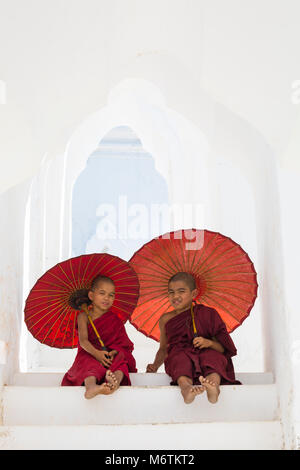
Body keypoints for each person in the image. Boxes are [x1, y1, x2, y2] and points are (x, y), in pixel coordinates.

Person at [146, 272, 240, 404]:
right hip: (180, 353)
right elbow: (164, 348)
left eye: (181, 291)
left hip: (206, 351)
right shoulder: (165, 319)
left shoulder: (207, 314)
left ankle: (213, 386)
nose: (175, 296)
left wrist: (208, 343)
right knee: (178, 358)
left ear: (194, 294)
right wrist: (155, 365)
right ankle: (186, 388)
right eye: (171, 292)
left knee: (213, 357)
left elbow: (222, 349)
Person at [61, 275, 137, 399]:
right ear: (91, 296)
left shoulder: (115, 319)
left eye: (111, 295)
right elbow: (83, 341)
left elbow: (123, 344)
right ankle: (91, 387)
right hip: (90, 352)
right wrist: (97, 353)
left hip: (107, 355)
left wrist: (114, 352)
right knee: (88, 362)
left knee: (121, 359)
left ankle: (114, 381)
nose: (106, 298)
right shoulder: (83, 317)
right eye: (102, 293)